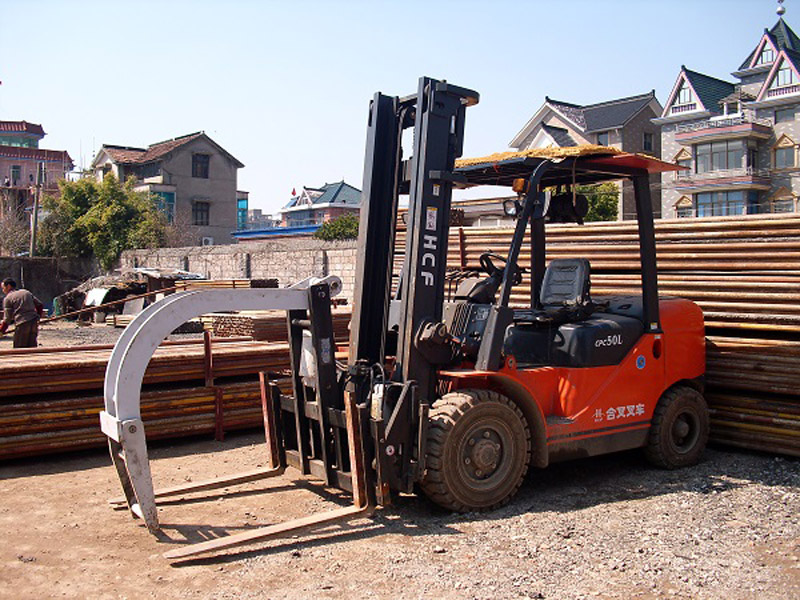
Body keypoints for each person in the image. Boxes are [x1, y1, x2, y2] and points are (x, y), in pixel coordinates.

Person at [0, 278, 43, 348]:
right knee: (32, 349)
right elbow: (40, 305)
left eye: (3, 288)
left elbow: (7, 319)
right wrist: (37, 318)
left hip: (22, 324)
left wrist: (1, 330)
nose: (3, 290)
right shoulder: (26, 292)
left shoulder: (8, 298)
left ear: (8, 286)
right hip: (34, 323)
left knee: (19, 349)